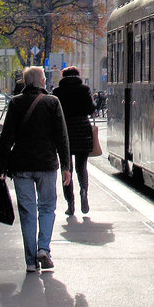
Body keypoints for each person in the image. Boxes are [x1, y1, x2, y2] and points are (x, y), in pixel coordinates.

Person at [0, 66, 70, 273]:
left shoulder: (16, 103)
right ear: (39, 81)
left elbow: (6, 139)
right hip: (47, 165)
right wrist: (66, 166)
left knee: (27, 212)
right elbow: (62, 138)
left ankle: (30, 261)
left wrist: (1, 168)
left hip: (21, 166)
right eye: (45, 78)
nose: (46, 80)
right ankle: (44, 249)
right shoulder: (52, 102)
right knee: (47, 208)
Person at [54, 66, 96, 215]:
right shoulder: (84, 89)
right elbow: (91, 108)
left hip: (64, 131)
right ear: (77, 75)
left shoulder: (58, 91)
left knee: (67, 169)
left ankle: (70, 203)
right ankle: (83, 191)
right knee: (81, 167)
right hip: (82, 130)